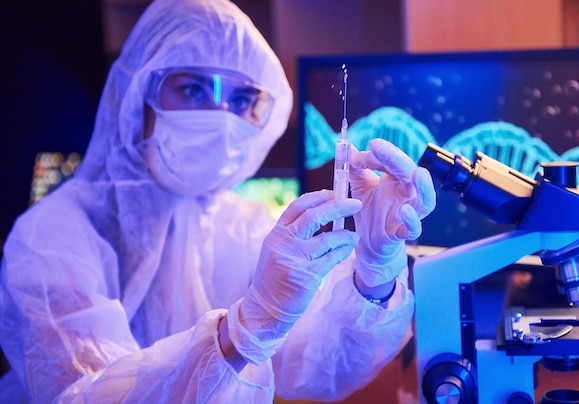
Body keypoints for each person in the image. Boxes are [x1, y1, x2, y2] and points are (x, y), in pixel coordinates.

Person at [0, 0, 436, 402]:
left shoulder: (243, 225)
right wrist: (243, 331)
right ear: (138, 96)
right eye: (192, 90)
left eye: (242, 99)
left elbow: (319, 369)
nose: (224, 119)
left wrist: (374, 273)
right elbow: (85, 395)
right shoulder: (50, 238)